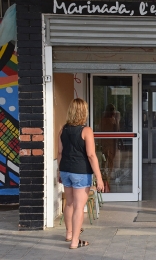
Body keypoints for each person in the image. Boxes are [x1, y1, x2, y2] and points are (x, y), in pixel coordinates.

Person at [57, 98, 104, 249]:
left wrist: (60, 171)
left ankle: (69, 233)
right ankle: (75, 241)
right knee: (79, 206)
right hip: (81, 172)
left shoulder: (62, 129)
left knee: (69, 203)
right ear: (84, 112)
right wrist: (99, 177)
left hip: (65, 170)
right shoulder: (86, 130)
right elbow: (91, 155)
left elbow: (59, 153)